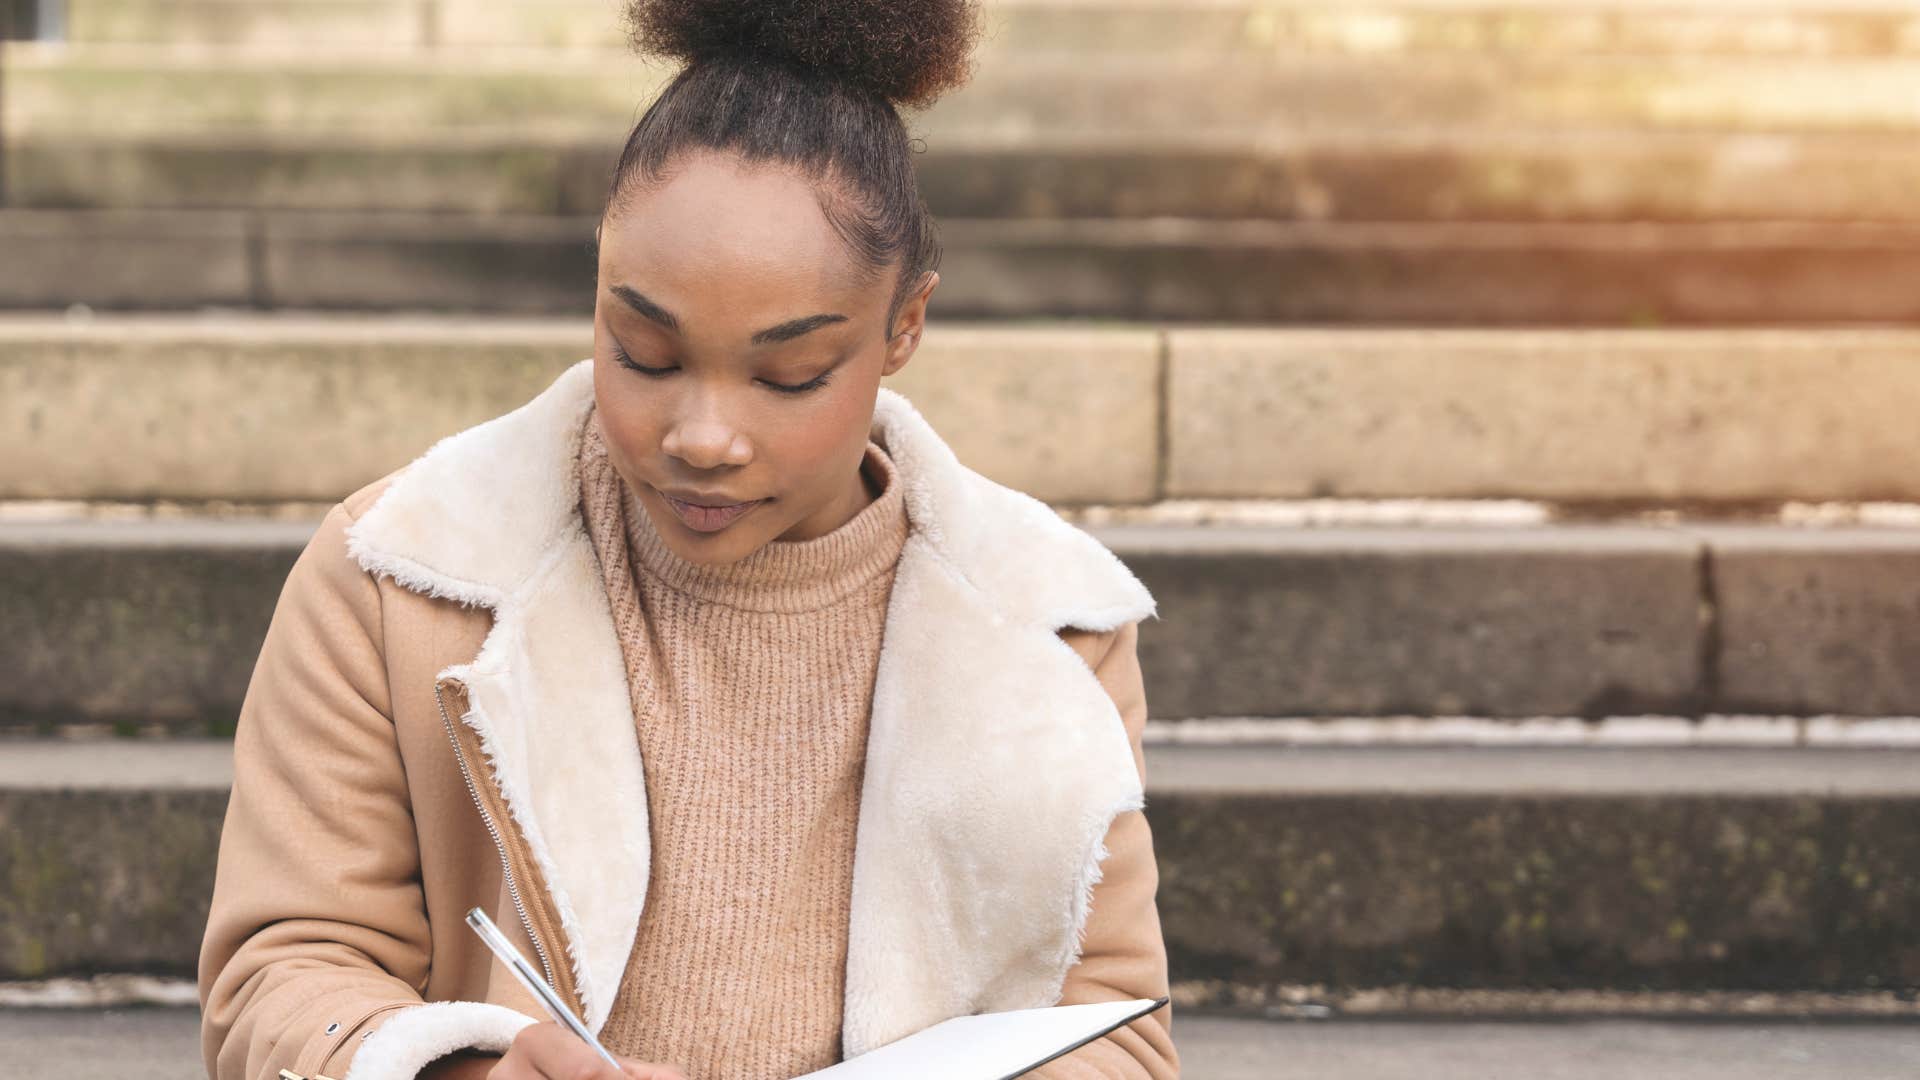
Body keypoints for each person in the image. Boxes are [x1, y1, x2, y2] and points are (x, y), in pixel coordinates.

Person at [196, 2, 1179, 1078]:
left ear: (905, 326)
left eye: (788, 375)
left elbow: (1114, 1030)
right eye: (645, 353)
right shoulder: (401, 575)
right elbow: (285, 974)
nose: (703, 438)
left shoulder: (1049, 624)